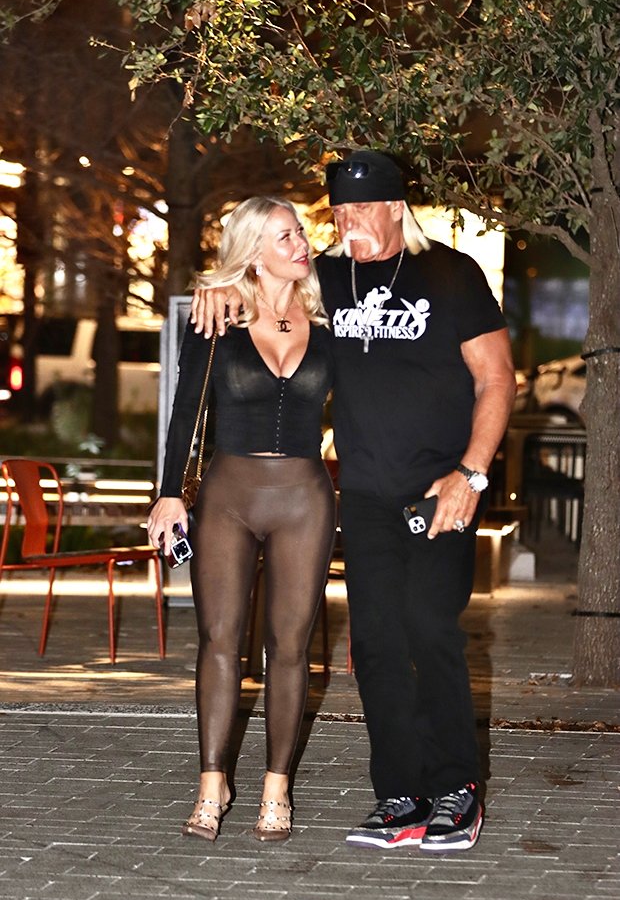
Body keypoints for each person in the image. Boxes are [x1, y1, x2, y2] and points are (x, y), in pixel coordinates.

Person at [191, 151, 516, 852]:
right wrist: (214, 291)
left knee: (429, 625)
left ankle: (457, 787)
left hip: (442, 488)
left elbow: (496, 379)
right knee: (373, 642)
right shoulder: (328, 277)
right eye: (338, 212)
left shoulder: (453, 274)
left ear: (397, 207)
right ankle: (400, 793)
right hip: (364, 494)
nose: (348, 223)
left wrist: (471, 473)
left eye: (363, 208)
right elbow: (259, 280)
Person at [148, 196, 336, 844]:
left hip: (304, 500)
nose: (301, 243)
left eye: (301, 232)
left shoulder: (329, 317)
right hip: (227, 495)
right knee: (219, 640)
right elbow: (186, 410)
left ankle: (276, 787)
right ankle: (211, 783)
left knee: (290, 647)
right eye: (285, 236)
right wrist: (169, 494)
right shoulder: (217, 316)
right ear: (255, 251)